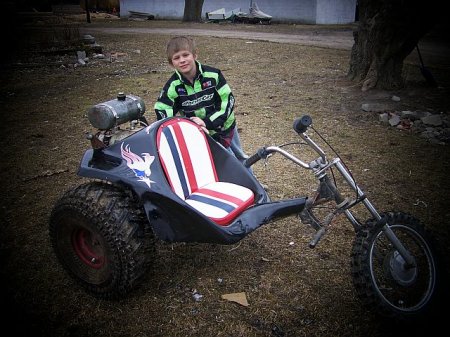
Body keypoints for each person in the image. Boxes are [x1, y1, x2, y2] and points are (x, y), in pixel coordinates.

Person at [154, 36, 249, 165]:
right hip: (202, 132)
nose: (182, 60)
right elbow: (163, 110)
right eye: (176, 58)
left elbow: (227, 102)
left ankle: (253, 184)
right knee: (226, 162)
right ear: (171, 63)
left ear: (194, 55)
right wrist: (178, 129)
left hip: (226, 126)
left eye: (185, 55)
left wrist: (206, 122)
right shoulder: (173, 86)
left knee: (241, 157)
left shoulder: (214, 75)